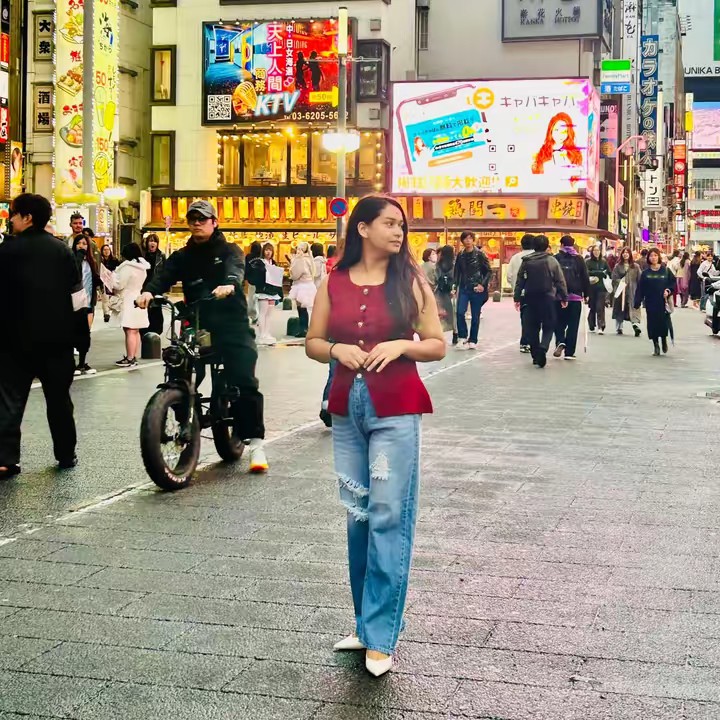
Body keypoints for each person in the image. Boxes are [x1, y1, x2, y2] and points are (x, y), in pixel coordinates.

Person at [305, 195, 446, 677]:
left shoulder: (411, 281)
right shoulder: (334, 281)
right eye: (389, 223)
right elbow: (313, 342)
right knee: (359, 516)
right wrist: (336, 350)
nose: (398, 232)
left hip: (397, 408)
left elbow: (437, 345)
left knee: (388, 515)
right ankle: (366, 626)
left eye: (401, 225)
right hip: (348, 409)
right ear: (362, 229)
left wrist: (402, 344)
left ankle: (382, 636)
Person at [136, 200, 268, 473]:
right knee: (178, 363)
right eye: (192, 219)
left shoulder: (230, 250)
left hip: (231, 322)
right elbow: (163, 276)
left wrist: (229, 284)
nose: (197, 223)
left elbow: (236, 269)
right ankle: (184, 411)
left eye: (202, 219)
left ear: (214, 222)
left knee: (244, 376)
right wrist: (148, 292)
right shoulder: (183, 255)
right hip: (197, 322)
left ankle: (256, 444)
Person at [0, 193, 81, 477]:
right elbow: (77, 297)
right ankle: (66, 453)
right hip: (57, 341)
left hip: (13, 341)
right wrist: (81, 336)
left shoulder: (6, 251)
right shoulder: (62, 251)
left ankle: (6, 458)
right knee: (59, 401)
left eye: (14, 214)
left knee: (9, 400)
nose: (11, 220)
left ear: (27, 218)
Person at [514, 234, 568, 369]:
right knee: (549, 325)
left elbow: (520, 280)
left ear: (534, 246)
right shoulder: (552, 261)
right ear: (546, 246)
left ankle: (535, 355)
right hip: (548, 297)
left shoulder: (526, 261)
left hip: (530, 297)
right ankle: (543, 348)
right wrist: (564, 297)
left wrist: (517, 298)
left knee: (532, 327)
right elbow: (560, 280)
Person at [553, 235, 590, 360]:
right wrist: (587, 294)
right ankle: (569, 352)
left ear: (561, 245)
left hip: (559, 296)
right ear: (573, 245)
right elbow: (585, 277)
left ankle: (560, 341)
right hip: (575, 297)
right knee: (573, 325)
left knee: (559, 322)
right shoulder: (579, 259)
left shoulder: (556, 258)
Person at [113, 243, 150, 369]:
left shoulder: (128, 267)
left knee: (129, 330)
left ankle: (129, 358)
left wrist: (111, 277)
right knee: (135, 330)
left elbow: (119, 284)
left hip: (128, 299)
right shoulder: (142, 267)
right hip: (138, 297)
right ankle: (133, 356)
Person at [635, 248, 676, 356]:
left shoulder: (665, 271)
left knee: (663, 323)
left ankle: (663, 340)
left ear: (659, 257)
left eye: (655, 255)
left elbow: (672, 283)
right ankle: (656, 345)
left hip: (662, 302)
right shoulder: (645, 273)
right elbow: (641, 288)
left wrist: (668, 290)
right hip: (650, 302)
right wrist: (637, 301)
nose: (653, 258)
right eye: (651, 256)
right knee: (652, 324)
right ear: (648, 258)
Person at [454, 231, 491, 350]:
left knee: (475, 315)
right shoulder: (460, 255)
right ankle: (462, 336)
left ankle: (473, 339)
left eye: (470, 238)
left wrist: (482, 284)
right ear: (462, 241)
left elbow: (488, 271)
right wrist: (454, 285)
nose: (468, 241)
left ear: (473, 240)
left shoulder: (480, 254)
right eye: (465, 238)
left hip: (476, 288)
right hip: (464, 287)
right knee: (460, 312)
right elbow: (457, 271)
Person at [72, 234, 101, 375]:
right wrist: (78, 257)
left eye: (84, 243)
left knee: (85, 334)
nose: (81, 246)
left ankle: (82, 363)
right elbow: (72, 275)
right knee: (72, 333)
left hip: (88, 302)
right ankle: (71, 363)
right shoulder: (71, 260)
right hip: (74, 302)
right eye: (79, 243)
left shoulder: (91, 262)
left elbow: (95, 278)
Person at [531, 112, 583, 180]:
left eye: (564, 131)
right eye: (556, 130)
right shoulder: (542, 153)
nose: (560, 134)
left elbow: (577, 179)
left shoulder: (574, 153)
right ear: (551, 130)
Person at [506, 234, 535, 353]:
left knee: (525, 317)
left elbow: (509, 276)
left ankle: (525, 342)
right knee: (536, 318)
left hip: (522, 293)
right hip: (537, 292)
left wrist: (515, 287)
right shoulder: (538, 257)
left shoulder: (515, 258)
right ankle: (533, 342)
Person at [254, 242, 283, 345]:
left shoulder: (274, 263)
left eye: (270, 250)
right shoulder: (260, 262)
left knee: (269, 314)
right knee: (263, 312)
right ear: (263, 251)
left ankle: (267, 333)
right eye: (266, 250)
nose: (268, 252)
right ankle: (262, 334)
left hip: (273, 291)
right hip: (263, 290)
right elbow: (256, 276)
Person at [612, 247, 642, 336]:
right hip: (621, 291)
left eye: (627, 252)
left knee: (633, 308)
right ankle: (619, 327)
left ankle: (635, 325)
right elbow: (614, 278)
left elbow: (640, 279)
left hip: (632, 291)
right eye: (624, 252)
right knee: (620, 308)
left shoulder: (635, 266)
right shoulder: (618, 266)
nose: (625, 254)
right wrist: (620, 282)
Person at [289, 241, 317, 338]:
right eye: (298, 248)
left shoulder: (301, 259)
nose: (298, 251)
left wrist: (291, 275)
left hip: (301, 285)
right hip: (308, 284)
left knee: (301, 308)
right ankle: (304, 328)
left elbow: (296, 274)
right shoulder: (309, 259)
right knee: (303, 308)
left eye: (301, 249)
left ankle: (303, 329)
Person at [142, 233, 166, 335]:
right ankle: (145, 332)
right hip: (144, 286)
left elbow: (165, 272)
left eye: (154, 241)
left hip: (156, 286)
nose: (152, 243)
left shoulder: (161, 256)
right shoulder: (143, 256)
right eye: (150, 241)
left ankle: (156, 332)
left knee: (156, 310)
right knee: (145, 310)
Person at [586, 245, 611, 335]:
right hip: (591, 287)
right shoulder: (588, 262)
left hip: (601, 287)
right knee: (592, 306)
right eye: (594, 250)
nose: (596, 252)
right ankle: (591, 323)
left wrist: (605, 274)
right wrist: (598, 272)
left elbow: (609, 272)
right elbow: (586, 272)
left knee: (600, 307)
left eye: (598, 250)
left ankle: (601, 326)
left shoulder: (603, 261)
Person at [435, 245, 456, 345]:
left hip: (440, 291)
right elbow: (456, 277)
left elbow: (436, 277)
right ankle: (455, 334)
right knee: (453, 313)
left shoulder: (438, 265)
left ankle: (439, 335)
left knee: (440, 314)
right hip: (451, 291)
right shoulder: (453, 265)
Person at [98, 244, 119, 322]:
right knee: (105, 298)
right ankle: (106, 313)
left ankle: (113, 312)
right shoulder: (99, 261)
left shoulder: (115, 260)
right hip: (103, 282)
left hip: (112, 281)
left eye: (108, 250)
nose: (106, 251)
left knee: (113, 298)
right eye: (104, 250)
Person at [244, 240, 263, 325]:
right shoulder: (262, 257)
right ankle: (259, 317)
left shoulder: (248, 256)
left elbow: (246, 268)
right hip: (261, 281)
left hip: (251, 280)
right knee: (259, 299)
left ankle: (253, 315)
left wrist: (245, 278)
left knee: (251, 298)